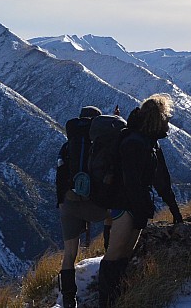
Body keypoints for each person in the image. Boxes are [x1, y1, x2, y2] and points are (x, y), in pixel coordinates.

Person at [98, 94, 183, 308]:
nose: (168, 122)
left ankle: (118, 297)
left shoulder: (149, 143)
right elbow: (133, 182)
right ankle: (107, 301)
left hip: (134, 205)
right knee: (116, 253)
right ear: (157, 118)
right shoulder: (136, 143)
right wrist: (143, 210)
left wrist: (174, 211)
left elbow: (161, 180)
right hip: (124, 205)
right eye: (165, 118)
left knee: (124, 253)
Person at [54, 106, 110, 308]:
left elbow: (60, 177)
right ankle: (109, 258)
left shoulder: (67, 147)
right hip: (95, 204)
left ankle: (69, 299)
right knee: (112, 216)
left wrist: (61, 200)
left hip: (69, 203)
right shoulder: (101, 144)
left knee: (69, 255)